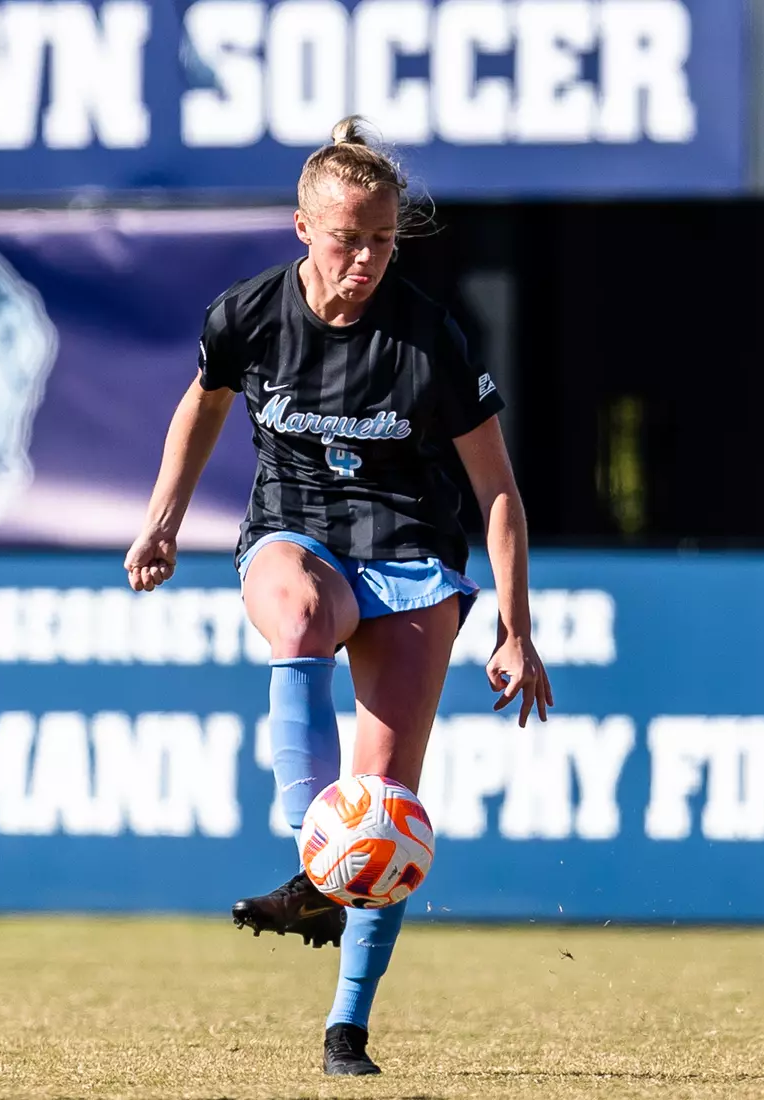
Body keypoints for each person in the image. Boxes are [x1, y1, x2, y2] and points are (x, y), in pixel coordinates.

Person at [123, 115, 553, 1076]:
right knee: (303, 614)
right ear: (302, 228)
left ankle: (346, 1031)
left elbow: (497, 493)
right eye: (348, 237)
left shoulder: (429, 340)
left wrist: (515, 629)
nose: (365, 259)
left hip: (409, 553)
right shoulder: (248, 314)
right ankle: (315, 859)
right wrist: (162, 520)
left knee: (389, 807)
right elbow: (199, 413)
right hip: (297, 533)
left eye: (383, 239)